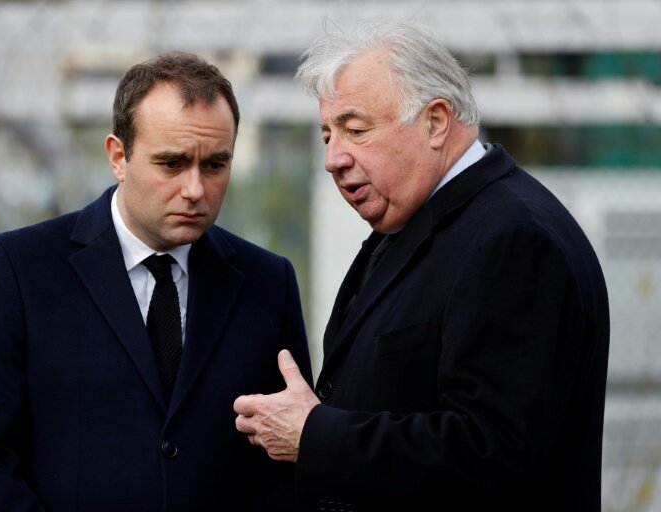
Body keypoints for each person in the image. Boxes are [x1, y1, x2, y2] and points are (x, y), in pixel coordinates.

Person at [234, 20, 610, 511]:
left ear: (435, 122)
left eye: (355, 129)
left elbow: (492, 454)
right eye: (327, 134)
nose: (333, 158)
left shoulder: (514, 240)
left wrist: (316, 434)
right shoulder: (423, 222)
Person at [0, 52, 312, 512]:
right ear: (119, 156)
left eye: (215, 165)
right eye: (172, 164)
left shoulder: (267, 283)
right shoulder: (20, 269)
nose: (195, 189)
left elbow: (286, 467)